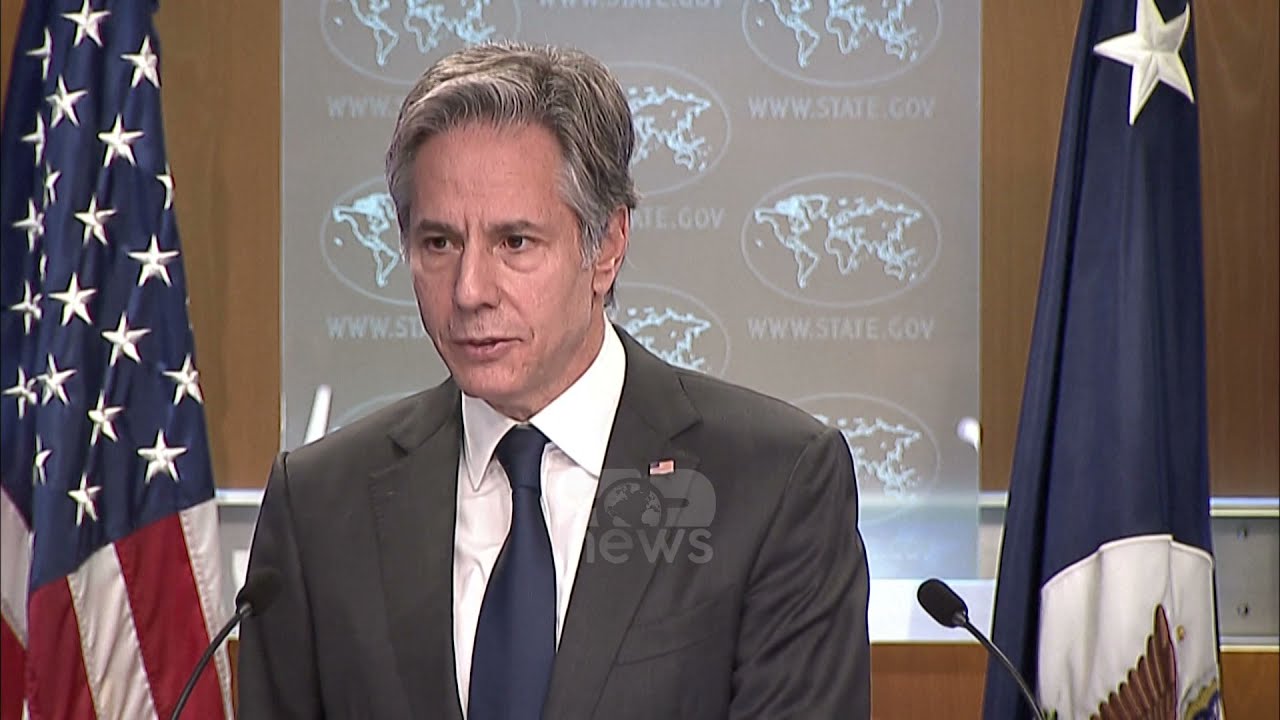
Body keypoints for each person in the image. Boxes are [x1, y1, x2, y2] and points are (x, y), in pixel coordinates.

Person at [237, 42, 871, 719]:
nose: (470, 290)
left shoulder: (774, 483)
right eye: (439, 243)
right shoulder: (319, 506)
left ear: (607, 247)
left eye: (515, 242)